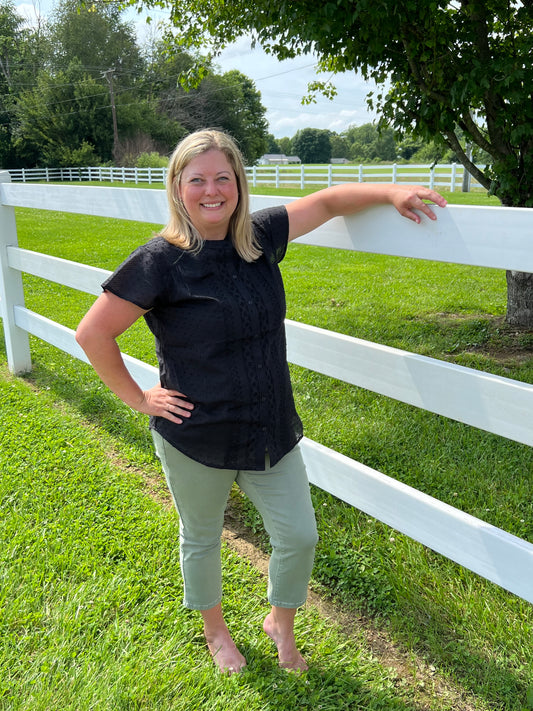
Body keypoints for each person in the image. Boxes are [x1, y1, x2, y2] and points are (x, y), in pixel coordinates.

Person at [75, 129, 447, 675]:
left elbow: (324, 202)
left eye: (222, 177)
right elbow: (92, 334)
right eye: (196, 179)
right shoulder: (161, 260)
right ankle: (216, 632)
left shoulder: (260, 235)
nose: (211, 190)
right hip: (197, 434)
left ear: (239, 183)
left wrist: (390, 191)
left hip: (270, 426)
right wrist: (139, 398)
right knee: (201, 537)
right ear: (177, 187)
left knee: (299, 535)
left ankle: (281, 623)